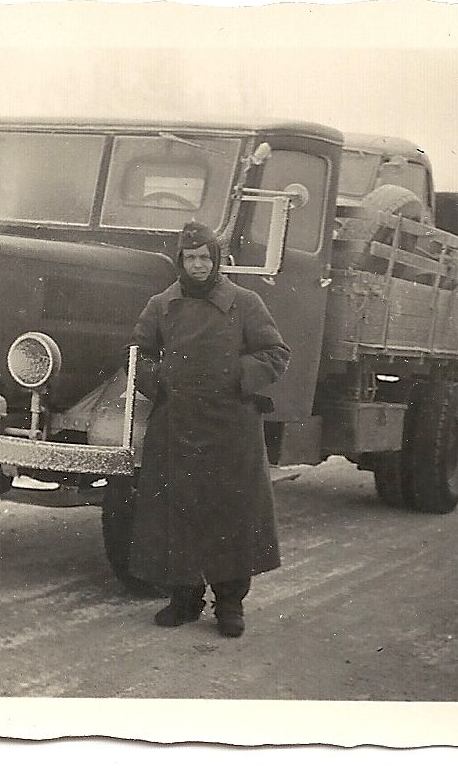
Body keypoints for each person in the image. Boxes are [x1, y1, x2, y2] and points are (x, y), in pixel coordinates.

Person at [126, 221, 291, 638]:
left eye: (205, 257)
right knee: (177, 514)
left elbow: (276, 353)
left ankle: (230, 604)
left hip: (231, 428)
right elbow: (137, 355)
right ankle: (183, 599)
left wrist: (236, 375)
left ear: (216, 260)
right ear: (180, 261)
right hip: (176, 425)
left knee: (229, 514)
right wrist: (159, 378)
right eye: (190, 258)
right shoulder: (161, 304)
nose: (198, 266)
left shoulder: (245, 302)